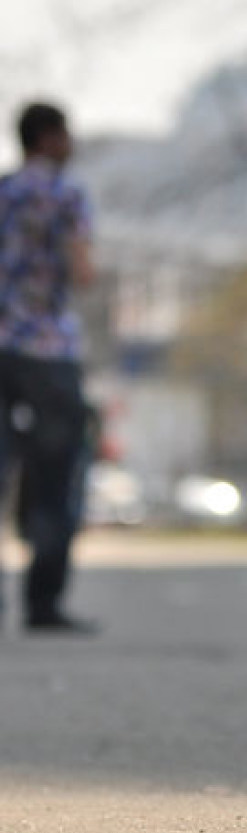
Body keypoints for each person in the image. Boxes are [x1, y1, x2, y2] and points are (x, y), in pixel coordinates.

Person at [0, 102, 97, 633]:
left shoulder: (3, 190)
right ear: (49, 137)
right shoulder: (66, 193)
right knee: (56, 478)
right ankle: (43, 602)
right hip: (47, 349)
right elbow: (83, 271)